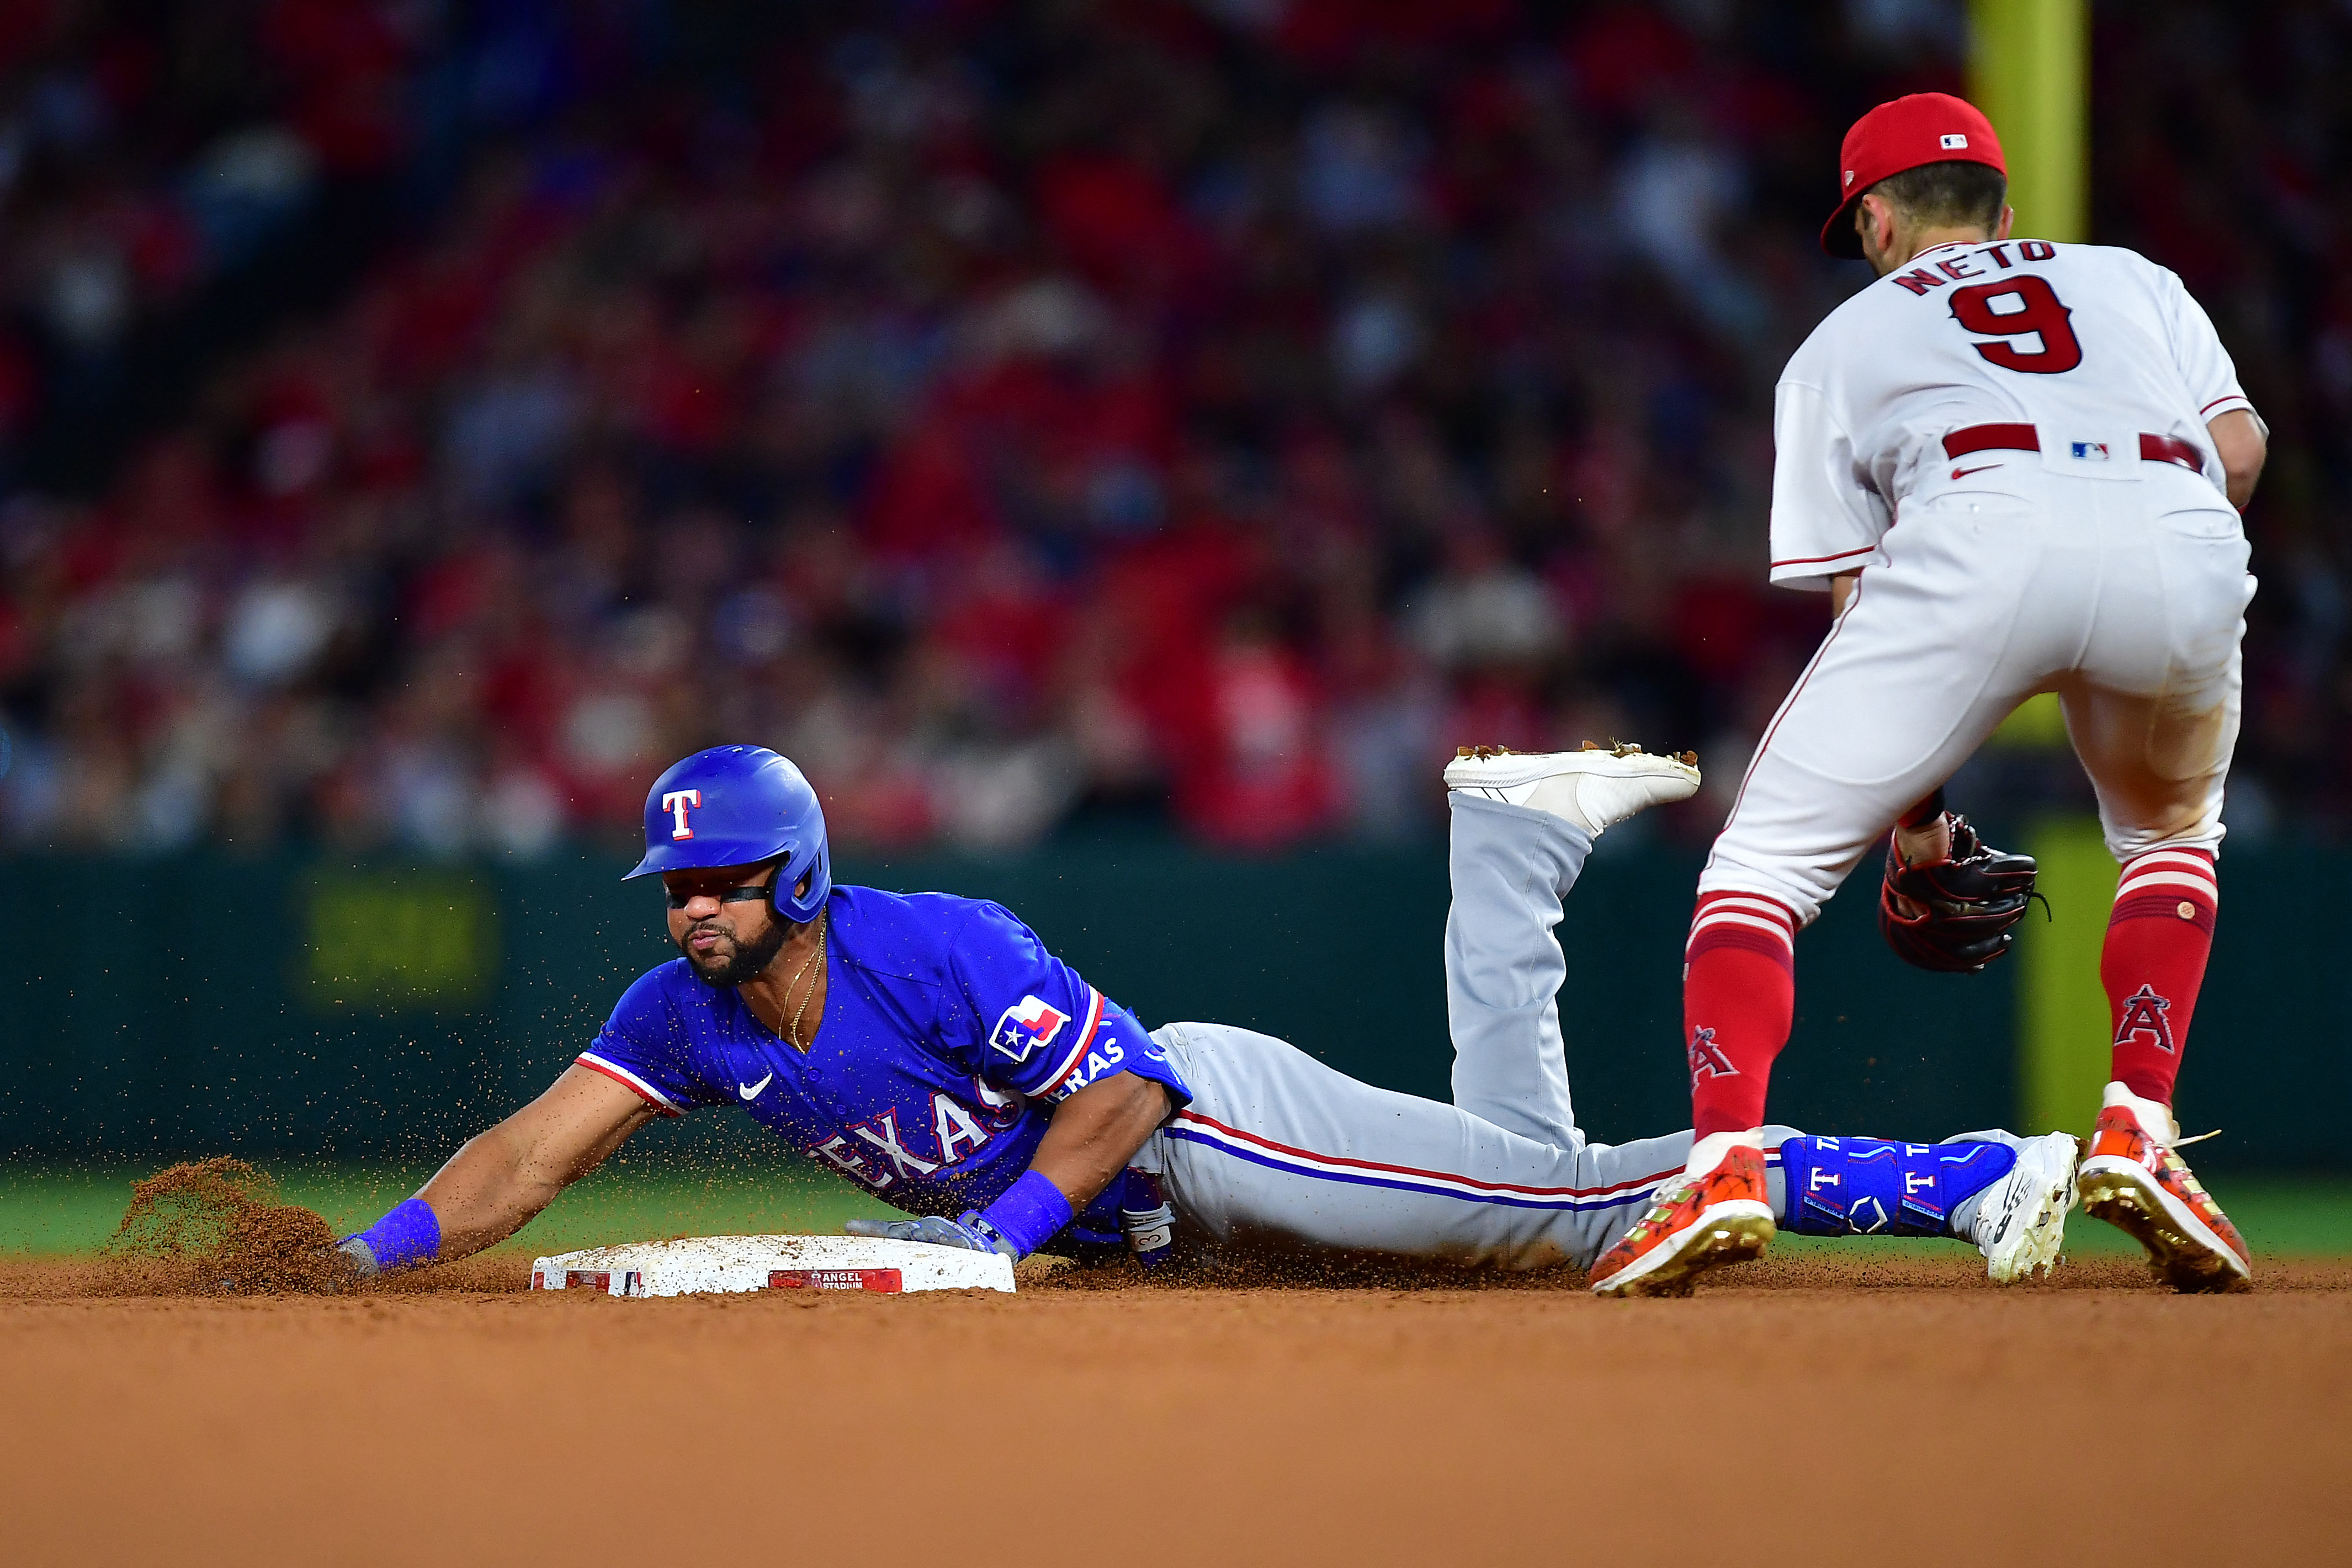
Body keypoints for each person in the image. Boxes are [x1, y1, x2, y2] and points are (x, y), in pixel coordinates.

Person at [333, 742, 2079, 1287]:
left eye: (716, 883)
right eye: (672, 888)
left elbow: (1122, 1097)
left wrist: (999, 1240)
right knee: (1531, 1177)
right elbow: (527, 1153)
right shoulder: (682, 1009)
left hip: (1222, 1132)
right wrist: (374, 1257)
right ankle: (1513, 840)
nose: (688, 906)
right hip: (1158, 1226)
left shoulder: (929, 944)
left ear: (796, 876)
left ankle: (1968, 1172)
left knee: (1590, 1211)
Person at [1589, 93, 2265, 1299]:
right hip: (2182, 520)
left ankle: (1725, 1157)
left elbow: (1857, 601)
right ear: (2004, 210)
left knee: (1758, 870)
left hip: (1980, 523)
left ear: (1879, 220)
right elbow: (2245, 450)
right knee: (2170, 834)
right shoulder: (2134, 278)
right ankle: (2140, 1126)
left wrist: (1915, 827)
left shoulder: (1838, 344)